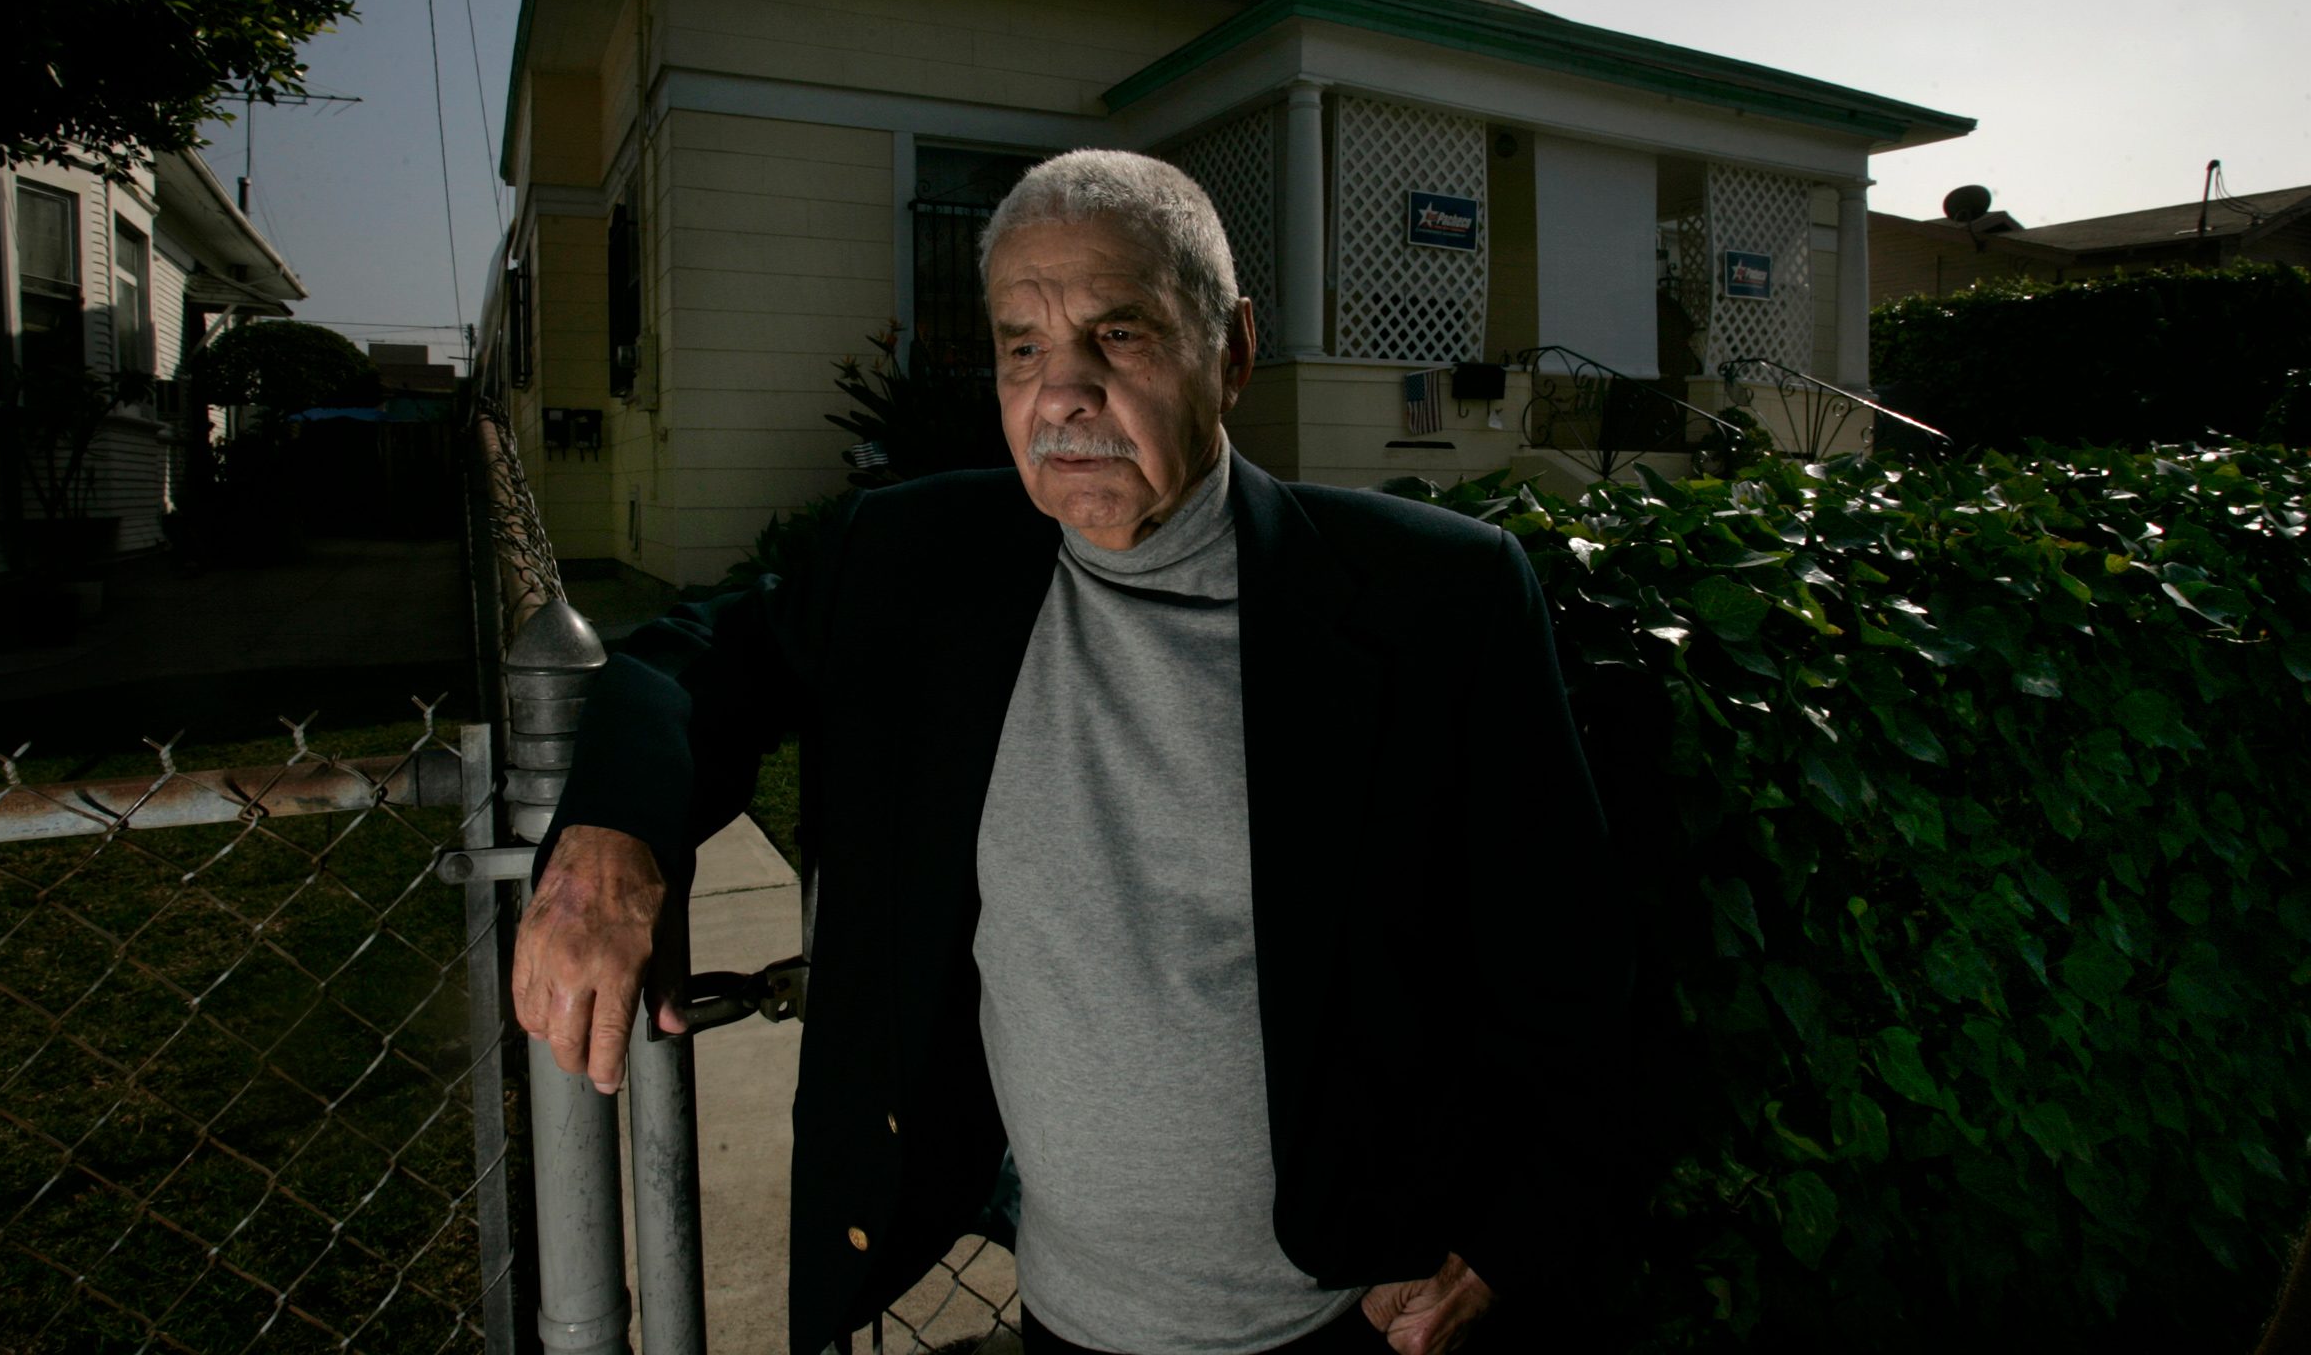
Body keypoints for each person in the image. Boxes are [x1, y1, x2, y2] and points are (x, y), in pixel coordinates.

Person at [513, 150, 1628, 1355]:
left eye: (1122, 335)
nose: (1062, 395)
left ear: (1233, 353)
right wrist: (609, 844)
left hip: (1355, 1316)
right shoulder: (915, 565)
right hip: (1063, 1316)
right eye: (1022, 347)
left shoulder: (1433, 598)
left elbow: (1571, 966)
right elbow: (689, 653)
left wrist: (1515, 1235)